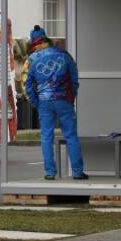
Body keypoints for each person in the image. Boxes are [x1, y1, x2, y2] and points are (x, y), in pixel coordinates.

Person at [24, 25, 87, 180]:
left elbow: (27, 83)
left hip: (44, 102)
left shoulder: (32, 59)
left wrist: (36, 101)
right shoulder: (64, 54)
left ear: (35, 42)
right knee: (71, 135)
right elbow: (74, 77)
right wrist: (72, 96)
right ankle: (77, 172)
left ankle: (50, 172)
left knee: (46, 136)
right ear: (47, 39)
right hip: (64, 100)